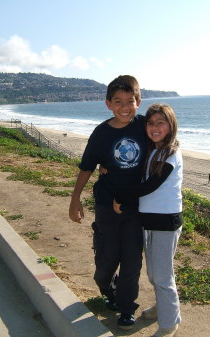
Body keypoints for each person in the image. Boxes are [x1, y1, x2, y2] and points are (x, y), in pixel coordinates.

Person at [68, 75, 148, 330]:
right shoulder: (101, 133)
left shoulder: (145, 126)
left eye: (130, 101)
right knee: (106, 261)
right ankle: (106, 287)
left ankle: (127, 307)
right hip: (106, 206)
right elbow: (86, 168)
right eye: (118, 102)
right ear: (108, 104)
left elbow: (165, 139)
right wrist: (75, 199)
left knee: (132, 260)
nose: (125, 107)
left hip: (135, 207)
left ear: (139, 101)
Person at [111, 104, 183, 337]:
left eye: (160, 122)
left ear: (170, 125)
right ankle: (163, 308)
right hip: (149, 221)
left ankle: (169, 324)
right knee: (154, 274)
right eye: (150, 123)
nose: (154, 127)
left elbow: (152, 185)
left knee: (163, 275)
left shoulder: (171, 153)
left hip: (165, 222)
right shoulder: (152, 149)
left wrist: (122, 196)